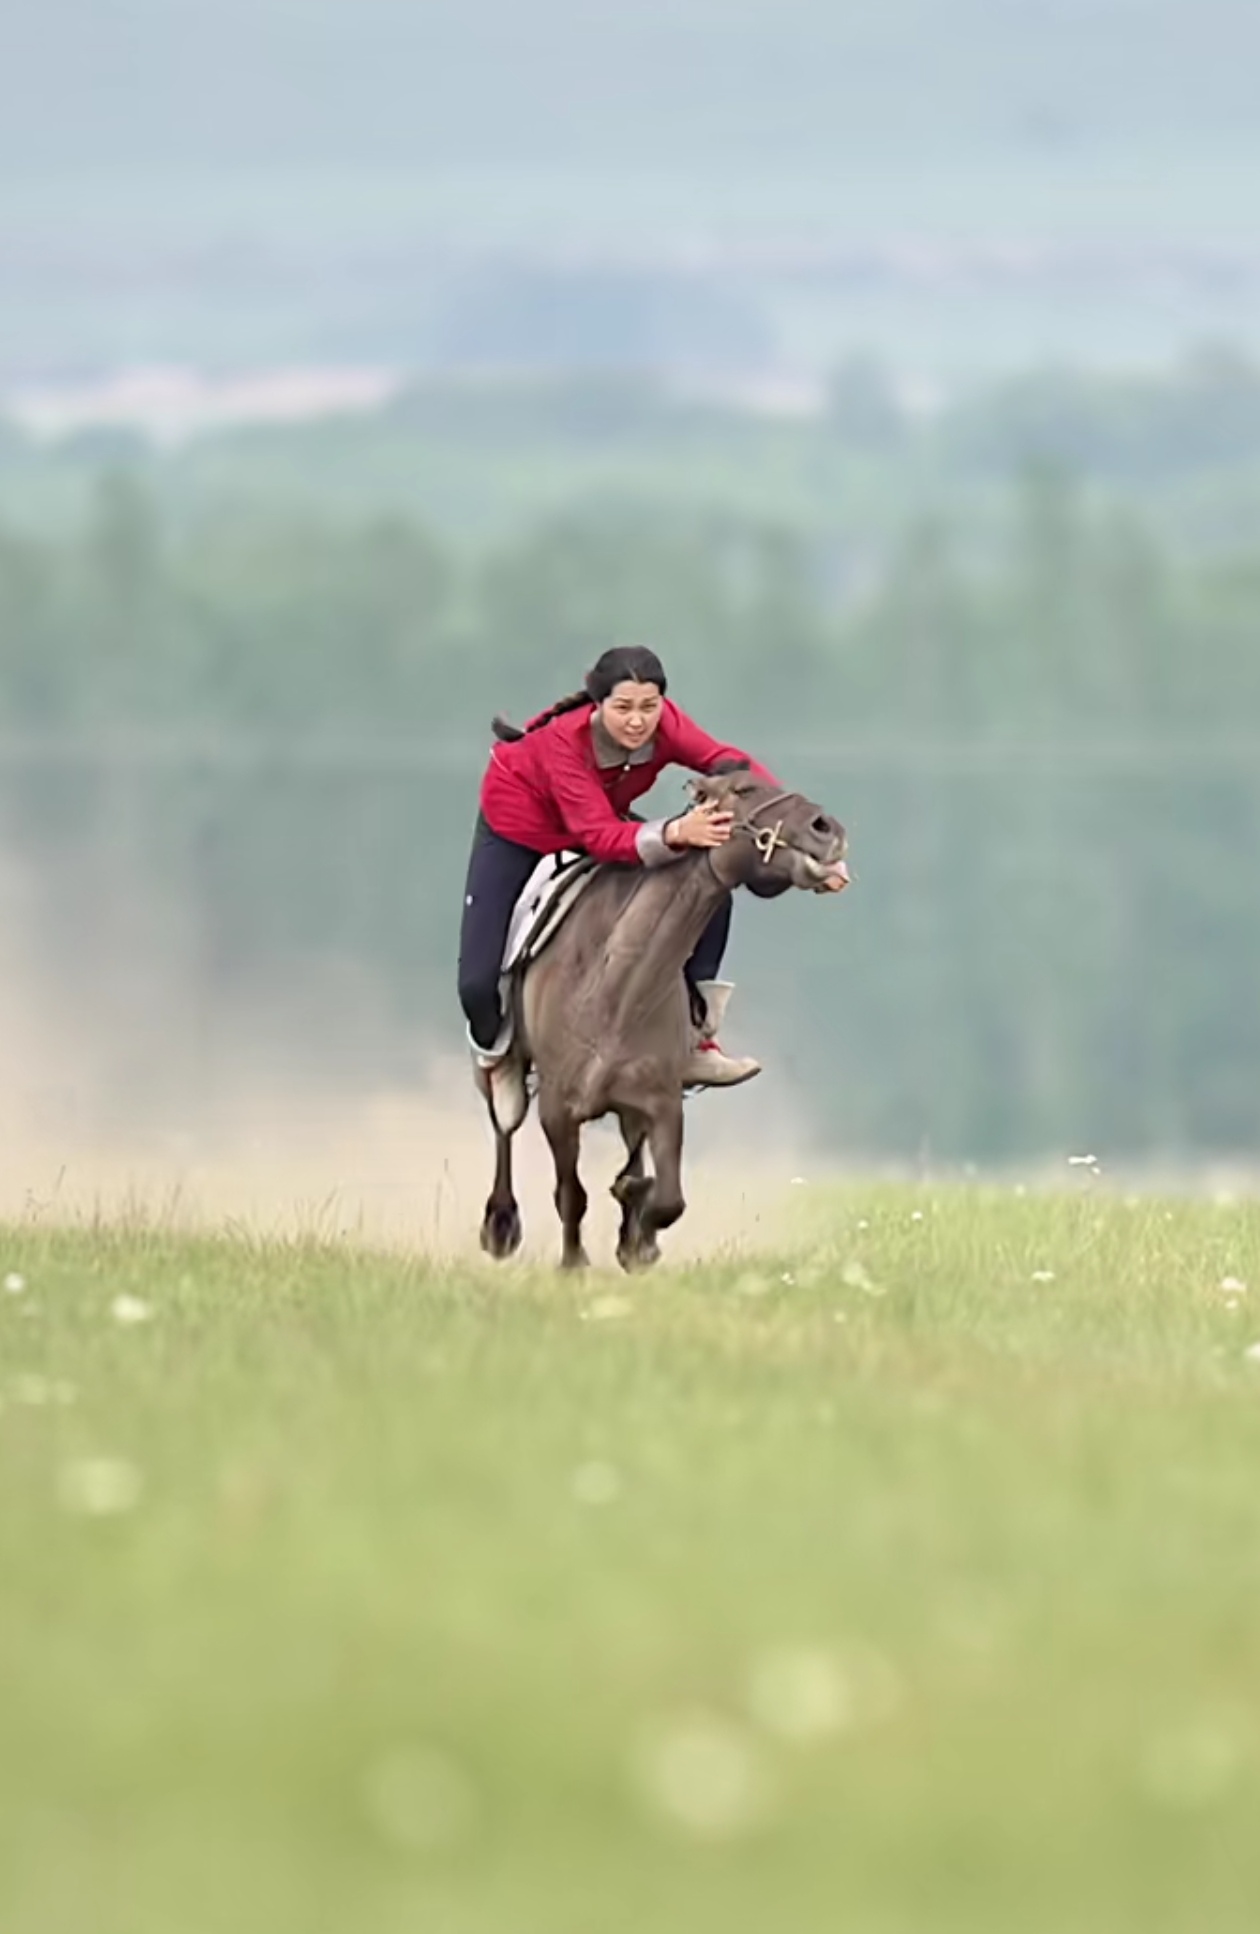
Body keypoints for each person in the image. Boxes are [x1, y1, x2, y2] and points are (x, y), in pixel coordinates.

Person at [458, 644, 779, 1125]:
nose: (638, 721)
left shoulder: (666, 722)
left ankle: (695, 1037)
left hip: (603, 817)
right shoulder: (561, 743)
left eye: (649, 707)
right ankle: (498, 1057)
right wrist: (674, 832)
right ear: (598, 704)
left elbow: (726, 762)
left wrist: (792, 823)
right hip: (522, 830)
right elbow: (597, 837)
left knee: (707, 888)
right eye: (623, 708)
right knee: (477, 985)